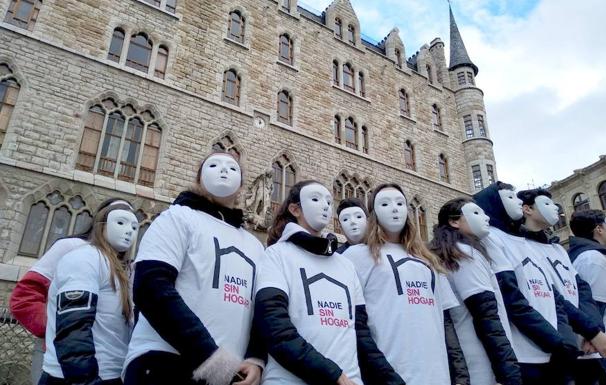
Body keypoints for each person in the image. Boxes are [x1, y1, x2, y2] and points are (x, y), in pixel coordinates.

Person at [124, 152, 265, 385]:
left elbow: (261, 310)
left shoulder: (254, 246)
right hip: (166, 363)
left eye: (232, 168)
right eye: (214, 164)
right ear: (199, 179)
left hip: (232, 375)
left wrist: (255, 358)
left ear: (242, 186)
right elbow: (151, 287)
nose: (223, 170)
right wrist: (208, 355)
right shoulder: (177, 218)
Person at [254, 180, 404, 385]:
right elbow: (274, 327)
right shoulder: (276, 255)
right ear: (295, 209)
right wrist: (333, 375)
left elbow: (360, 334)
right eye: (315, 199)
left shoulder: (346, 265)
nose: (325, 205)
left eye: (328, 201)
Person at [342, 183, 468, 385]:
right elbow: (354, 324)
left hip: (437, 374)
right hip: (391, 372)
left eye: (400, 203)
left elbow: (445, 321)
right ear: (374, 213)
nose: (394, 208)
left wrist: (461, 376)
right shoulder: (357, 256)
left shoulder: (428, 261)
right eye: (385, 203)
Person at [9, 198, 134, 385]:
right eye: (120, 219)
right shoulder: (74, 250)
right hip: (67, 361)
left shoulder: (123, 266)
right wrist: (58, 332)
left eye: (134, 224)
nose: (128, 230)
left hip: (108, 367)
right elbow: (24, 297)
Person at [473, 182, 581, 385]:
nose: (519, 202)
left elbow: (554, 296)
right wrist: (556, 341)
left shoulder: (527, 243)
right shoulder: (492, 240)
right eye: (510, 198)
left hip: (553, 353)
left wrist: (565, 340)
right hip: (525, 355)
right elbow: (512, 299)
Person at [517, 188, 606, 385]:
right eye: (546, 204)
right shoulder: (520, 246)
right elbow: (554, 298)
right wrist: (590, 332)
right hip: (559, 348)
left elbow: (584, 291)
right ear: (527, 209)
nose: (554, 209)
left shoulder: (558, 249)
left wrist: (593, 330)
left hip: (588, 348)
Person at [429, 197, 521, 385]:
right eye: (476, 213)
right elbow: (486, 317)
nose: (486, 218)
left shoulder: (455, 253)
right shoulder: (464, 254)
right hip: (482, 362)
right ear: (454, 221)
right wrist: (509, 372)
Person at [569, 210, 606, 384]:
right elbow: (593, 306)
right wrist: (592, 338)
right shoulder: (592, 259)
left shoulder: (595, 257)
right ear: (599, 229)